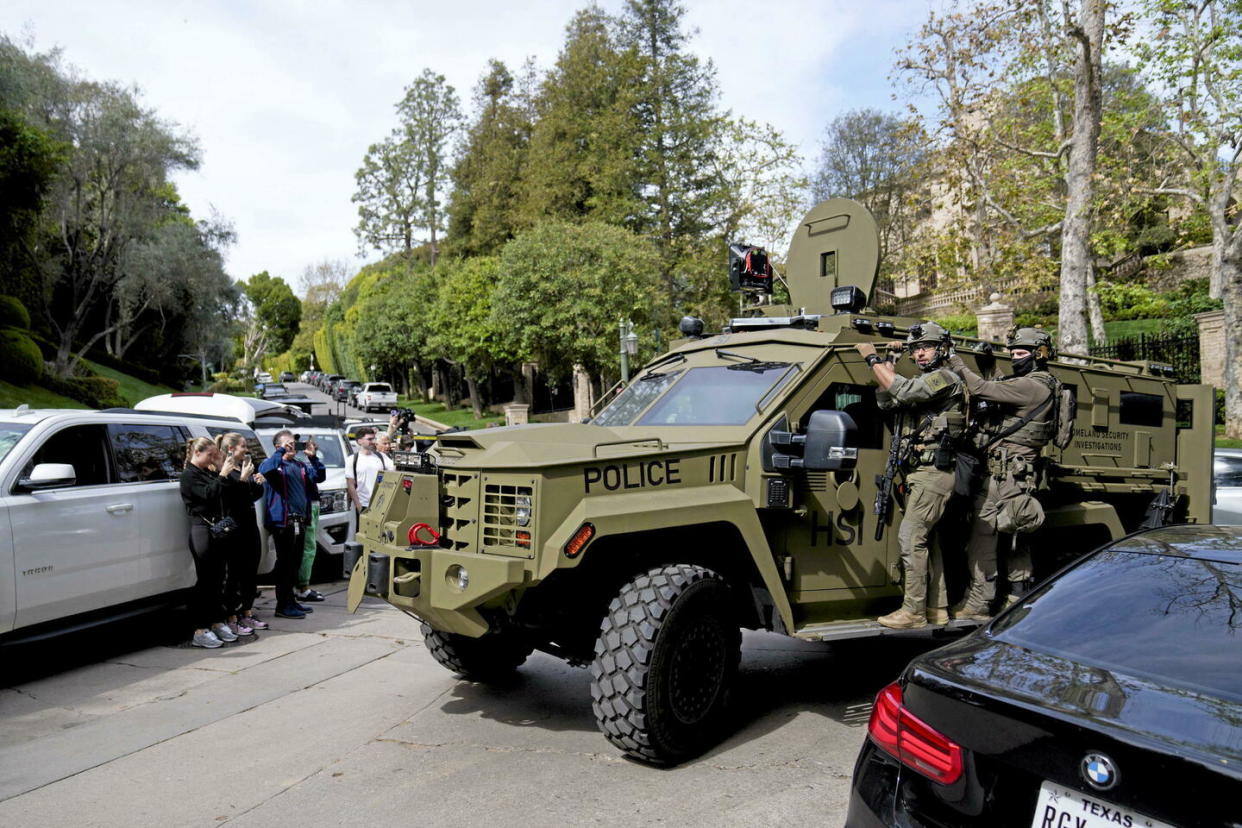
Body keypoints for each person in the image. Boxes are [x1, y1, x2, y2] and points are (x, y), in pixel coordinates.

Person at [855, 322, 966, 630]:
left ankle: (913, 611)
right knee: (929, 541)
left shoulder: (946, 378)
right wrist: (888, 362)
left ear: (942, 349)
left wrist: (871, 359)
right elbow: (887, 399)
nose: (919, 353)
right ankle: (936, 608)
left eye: (925, 347)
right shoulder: (922, 380)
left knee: (911, 536)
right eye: (915, 349)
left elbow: (901, 389)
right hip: (919, 471)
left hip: (935, 472)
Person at [946, 327, 1057, 617]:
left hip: (1003, 477)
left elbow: (982, 389)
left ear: (1039, 355)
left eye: (1020, 354)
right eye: (1012, 354)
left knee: (985, 539)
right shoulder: (1042, 385)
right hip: (1017, 477)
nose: (1015, 359)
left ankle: (980, 603)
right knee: (1015, 540)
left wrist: (956, 361)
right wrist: (988, 363)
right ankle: (1015, 601)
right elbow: (1001, 385)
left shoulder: (1032, 386)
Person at [179, 437, 241, 648]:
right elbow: (208, 495)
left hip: (217, 530)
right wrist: (222, 475)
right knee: (205, 580)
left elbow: (225, 494)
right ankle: (199, 628)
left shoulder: (208, 472)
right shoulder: (189, 475)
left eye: (215, 455)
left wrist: (225, 473)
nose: (213, 459)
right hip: (201, 530)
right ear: (197, 453)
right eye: (210, 455)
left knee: (217, 579)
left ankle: (216, 621)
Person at [259, 430, 325, 619]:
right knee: (285, 565)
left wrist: (313, 459)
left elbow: (319, 477)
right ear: (278, 445)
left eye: (293, 443)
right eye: (287, 443)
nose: (292, 446)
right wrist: (280, 452)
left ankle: (291, 601)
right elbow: (265, 470)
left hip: (299, 521)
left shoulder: (299, 465)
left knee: (295, 564)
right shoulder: (275, 464)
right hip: (283, 522)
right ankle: (283, 605)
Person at [215, 432, 269, 632]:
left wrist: (257, 482)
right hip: (234, 528)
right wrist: (244, 479)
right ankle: (231, 616)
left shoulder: (242, 468)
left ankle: (247, 611)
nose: (247, 450)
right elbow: (230, 499)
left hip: (249, 524)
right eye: (243, 446)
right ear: (231, 449)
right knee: (235, 573)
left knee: (250, 571)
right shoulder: (225, 470)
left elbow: (251, 496)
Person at [294, 435, 326, 604]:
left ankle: (302, 585)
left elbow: (320, 476)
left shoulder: (306, 459)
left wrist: (313, 457)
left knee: (309, 546)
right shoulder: (290, 460)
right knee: (307, 547)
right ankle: (302, 587)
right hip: (303, 507)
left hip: (312, 504)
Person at [346, 426, 395, 520]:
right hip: (363, 505)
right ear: (359, 441)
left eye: (374, 438)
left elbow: (395, 471)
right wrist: (358, 506)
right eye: (369, 439)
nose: (373, 441)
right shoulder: (352, 460)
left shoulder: (381, 456)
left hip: (381, 505)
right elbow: (350, 485)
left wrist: (396, 452)